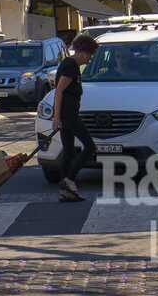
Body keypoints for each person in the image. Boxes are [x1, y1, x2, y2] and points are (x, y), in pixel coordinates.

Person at [50, 34, 99, 203]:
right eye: (90, 55)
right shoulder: (70, 65)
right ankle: (69, 180)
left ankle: (66, 191)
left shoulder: (71, 65)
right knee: (90, 146)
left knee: (69, 151)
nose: (90, 59)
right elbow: (59, 91)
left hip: (68, 114)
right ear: (82, 52)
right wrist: (56, 117)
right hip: (68, 115)